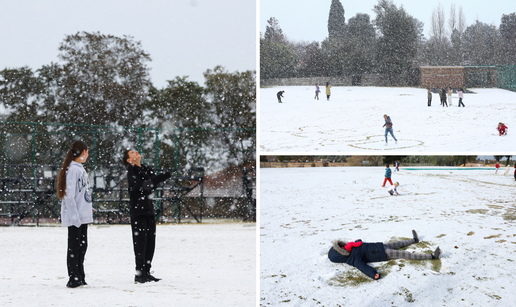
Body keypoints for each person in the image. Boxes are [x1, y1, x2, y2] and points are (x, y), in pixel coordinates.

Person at [124, 149, 172, 284]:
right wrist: (161, 177)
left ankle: (146, 272)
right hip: (138, 212)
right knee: (140, 243)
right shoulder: (131, 171)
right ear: (129, 160)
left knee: (150, 242)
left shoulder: (146, 169)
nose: (136, 153)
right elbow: (144, 186)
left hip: (149, 210)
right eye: (132, 153)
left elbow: (151, 185)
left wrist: (157, 179)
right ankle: (139, 274)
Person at [328, 230, 441, 280]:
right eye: (341, 248)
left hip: (380, 246)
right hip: (383, 254)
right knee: (405, 254)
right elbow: (363, 267)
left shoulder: (350, 247)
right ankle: (432, 256)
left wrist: (359, 240)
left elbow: (360, 245)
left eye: (341, 245)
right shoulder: (353, 259)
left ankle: (414, 240)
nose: (343, 246)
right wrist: (373, 274)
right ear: (340, 254)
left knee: (397, 243)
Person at [57, 140, 93, 288]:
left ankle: (80, 275)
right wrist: (75, 218)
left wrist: (87, 207)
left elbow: (81, 193)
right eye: (88, 151)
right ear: (83, 152)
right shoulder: (73, 170)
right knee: (74, 248)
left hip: (82, 216)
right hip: (75, 218)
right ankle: (73, 278)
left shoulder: (80, 169)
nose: (88, 154)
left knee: (82, 247)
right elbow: (69, 196)